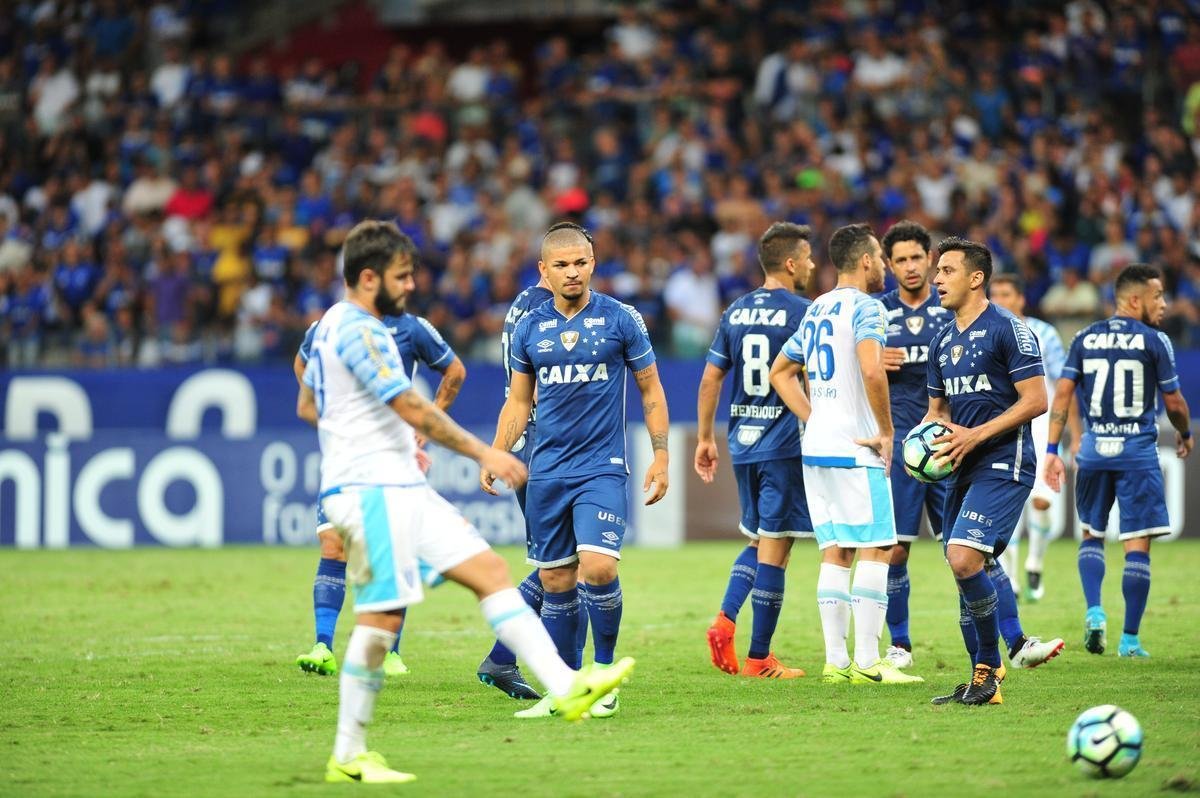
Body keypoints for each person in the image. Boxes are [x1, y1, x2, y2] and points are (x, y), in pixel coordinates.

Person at [299, 220, 633, 783]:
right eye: (402, 278)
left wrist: (375, 433)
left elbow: (310, 402)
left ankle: (568, 686)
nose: (410, 288)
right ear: (367, 277)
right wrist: (487, 452)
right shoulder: (360, 331)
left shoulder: (330, 326)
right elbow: (411, 404)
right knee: (381, 618)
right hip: (371, 488)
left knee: (490, 569)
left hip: (399, 481)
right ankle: (348, 752)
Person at [483, 222, 669, 718]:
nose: (572, 272)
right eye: (561, 265)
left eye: (580, 262)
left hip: (601, 467)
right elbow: (519, 402)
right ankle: (566, 688)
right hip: (546, 470)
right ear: (544, 271)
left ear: (593, 263)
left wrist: (662, 453)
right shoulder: (529, 327)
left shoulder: (621, 319)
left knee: (600, 567)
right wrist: (498, 449)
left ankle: (602, 676)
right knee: (557, 580)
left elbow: (650, 390)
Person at [769, 222, 923, 686]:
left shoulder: (817, 308)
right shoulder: (868, 308)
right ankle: (871, 662)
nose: (884, 266)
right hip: (857, 446)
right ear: (866, 261)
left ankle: (837, 663)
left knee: (835, 553)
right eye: (880, 257)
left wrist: (815, 416)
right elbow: (873, 369)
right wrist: (886, 430)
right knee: (879, 548)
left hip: (816, 446)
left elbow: (781, 372)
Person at [294, 300, 468, 679]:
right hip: (346, 458)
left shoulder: (412, 327)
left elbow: (454, 371)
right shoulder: (330, 323)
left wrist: (427, 423)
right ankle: (323, 645)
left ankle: (391, 651)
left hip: (392, 454)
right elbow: (301, 363)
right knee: (333, 544)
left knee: (393, 548)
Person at [923, 237, 1049, 706]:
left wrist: (976, 435)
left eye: (948, 271)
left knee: (963, 558)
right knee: (964, 567)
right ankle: (985, 678)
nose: (937, 279)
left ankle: (988, 668)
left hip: (1004, 460)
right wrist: (921, 446)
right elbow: (937, 411)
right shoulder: (942, 340)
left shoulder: (1008, 330)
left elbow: (1036, 400)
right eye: (938, 271)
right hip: (960, 466)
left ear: (976, 278)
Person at [1045, 264, 1193, 659]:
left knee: (1091, 533)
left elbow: (1061, 397)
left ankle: (1094, 611)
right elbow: (1175, 402)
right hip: (1136, 454)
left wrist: (1051, 452)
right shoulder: (1154, 340)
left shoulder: (1083, 337)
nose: (1163, 304)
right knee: (1136, 544)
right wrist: (1185, 431)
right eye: (1157, 296)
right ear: (1133, 300)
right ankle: (1129, 639)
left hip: (1093, 451)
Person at [697, 222, 815, 679]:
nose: (810, 265)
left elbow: (711, 379)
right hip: (784, 443)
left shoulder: (736, 311)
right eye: (806, 258)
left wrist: (706, 437)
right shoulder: (804, 311)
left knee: (758, 539)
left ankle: (725, 621)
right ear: (789, 263)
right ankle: (760, 658)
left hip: (743, 442)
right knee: (777, 548)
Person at [474, 266, 555, 701]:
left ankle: (504, 659)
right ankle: (507, 659)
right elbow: (538, 387)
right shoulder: (548, 310)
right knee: (560, 566)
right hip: (546, 443)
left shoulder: (520, 305)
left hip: (525, 441)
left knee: (564, 564)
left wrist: (499, 448)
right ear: (549, 266)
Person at [875, 220, 953, 670]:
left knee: (964, 549)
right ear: (888, 265)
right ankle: (900, 643)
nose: (909, 266)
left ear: (930, 259)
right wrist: (870, 358)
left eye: (916, 257)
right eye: (900, 259)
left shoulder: (952, 310)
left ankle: (1006, 640)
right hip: (903, 447)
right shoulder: (875, 313)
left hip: (947, 444)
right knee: (897, 550)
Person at [988, 274, 1081, 601]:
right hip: (1001, 425)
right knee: (1007, 504)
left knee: (1041, 501)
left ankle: (1035, 562)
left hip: (1041, 426)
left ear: (1020, 298)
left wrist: (1076, 433)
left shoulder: (1044, 334)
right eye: (994, 293)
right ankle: (1011, 577)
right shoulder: (984, 332)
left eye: (1006, 293)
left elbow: (1063, 387)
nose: (999, 299)